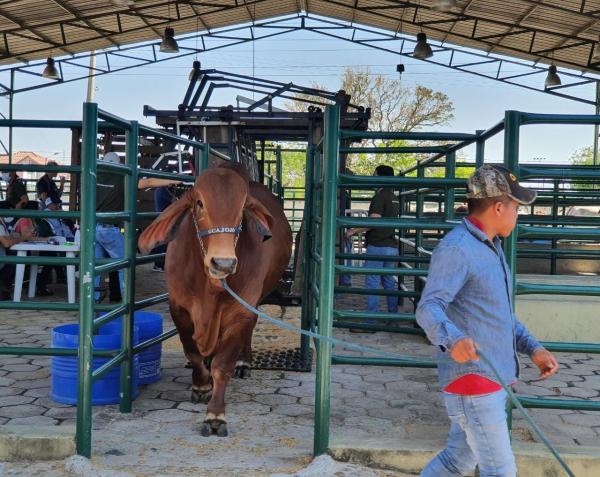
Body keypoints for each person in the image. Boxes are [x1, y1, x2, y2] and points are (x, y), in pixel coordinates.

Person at [416, 165, 559, 477]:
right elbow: (428, 307)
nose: (517, 215)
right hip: (474, 380)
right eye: (516, 208)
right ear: (498, 207)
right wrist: (452, 339)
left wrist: (533, 348)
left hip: (489, 378)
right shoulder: (457, 248)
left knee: (457, 461)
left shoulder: (492, 248)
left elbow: (500, 315)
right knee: (500, 470)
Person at [346, 165, 399, 325]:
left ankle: (370, 321)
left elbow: (374, 220)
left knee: (372, 282)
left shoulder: (380, 196)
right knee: (389, 282)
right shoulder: (394, 197)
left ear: (381, 177)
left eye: (374, 175)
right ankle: (393, 318)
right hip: (391, 246)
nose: (372, 178)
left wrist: (353, 231)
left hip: (378, 245)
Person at [95, 152, 125, 303]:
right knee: (123, 265)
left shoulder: (95, 176)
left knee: (94, 267)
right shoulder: (122, 178)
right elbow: (146, 183)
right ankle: (125, 300)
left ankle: (92, 301)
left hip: (93, 227)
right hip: (110, 229)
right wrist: (170, 180)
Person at [12, 200, 54, 296]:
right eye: (38, 209)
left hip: (27, 249)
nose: (40, 211)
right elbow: (27, 237)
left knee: (50, 256)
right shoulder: (25, 220)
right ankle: (40, 285)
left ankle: (40, 285)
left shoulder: (32, 219)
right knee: (50, 256)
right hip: (19, 250)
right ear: (33, 210)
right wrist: (45, 239)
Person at [0, 203, 34, 300]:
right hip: (2, 259)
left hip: (3, 255)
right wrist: (23, 237)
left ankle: (4, 290)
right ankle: (4, 290)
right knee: (15, 260)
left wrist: (16, 237)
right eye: (11, 211)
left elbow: (8, 239)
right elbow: (6, 243)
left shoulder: (3, 224)